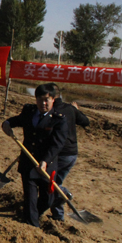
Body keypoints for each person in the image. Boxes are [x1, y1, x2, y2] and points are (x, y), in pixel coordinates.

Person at [2, 84, 68, 228]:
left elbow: (57, 144)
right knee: (30, 198)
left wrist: (45, 161)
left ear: (53, 100)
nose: (43, 103)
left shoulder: (59, 119)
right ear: (35, 99)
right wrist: (7, 124)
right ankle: (31, 226)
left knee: (47, 200)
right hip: (28, 164)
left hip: (47, 167)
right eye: (40, 99)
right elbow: (16, 121)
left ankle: (32, 215)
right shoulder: (28, 111)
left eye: (47, 100)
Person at [47, 83, 90, 221]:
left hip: (60, 154)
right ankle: (58, 216)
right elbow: (85, 121)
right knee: (54, 183)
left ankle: (65, 194)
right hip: (72, 154)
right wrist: (76, 110)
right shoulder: (70, 108)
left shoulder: (51, 110)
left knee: (51, 184)